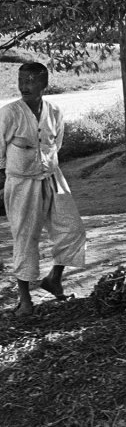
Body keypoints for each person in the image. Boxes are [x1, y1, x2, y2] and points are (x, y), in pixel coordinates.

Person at [0, 62, 86, 316]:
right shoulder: (9, 113)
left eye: (31, 80)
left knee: (73, 229)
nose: (24, 86)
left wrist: (43, 161)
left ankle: (54, 278)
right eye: (21, 80)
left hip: (51, 176)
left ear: (44, 84)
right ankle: (25, 299)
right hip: (21, 181)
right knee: (25, 237)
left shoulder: (54, 111)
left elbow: (56, 144)